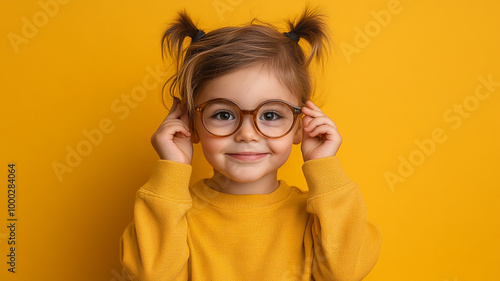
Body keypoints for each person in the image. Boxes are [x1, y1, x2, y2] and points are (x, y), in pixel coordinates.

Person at [120, 7, 381, 281]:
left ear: (300, 126)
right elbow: (151, 275)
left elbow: (346, 272)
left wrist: (325, 167)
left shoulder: (318, 217)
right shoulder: (175, 214)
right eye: (223, 114)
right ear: (191, 124)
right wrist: (171, 170)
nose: (247, 134)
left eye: (270, 115)